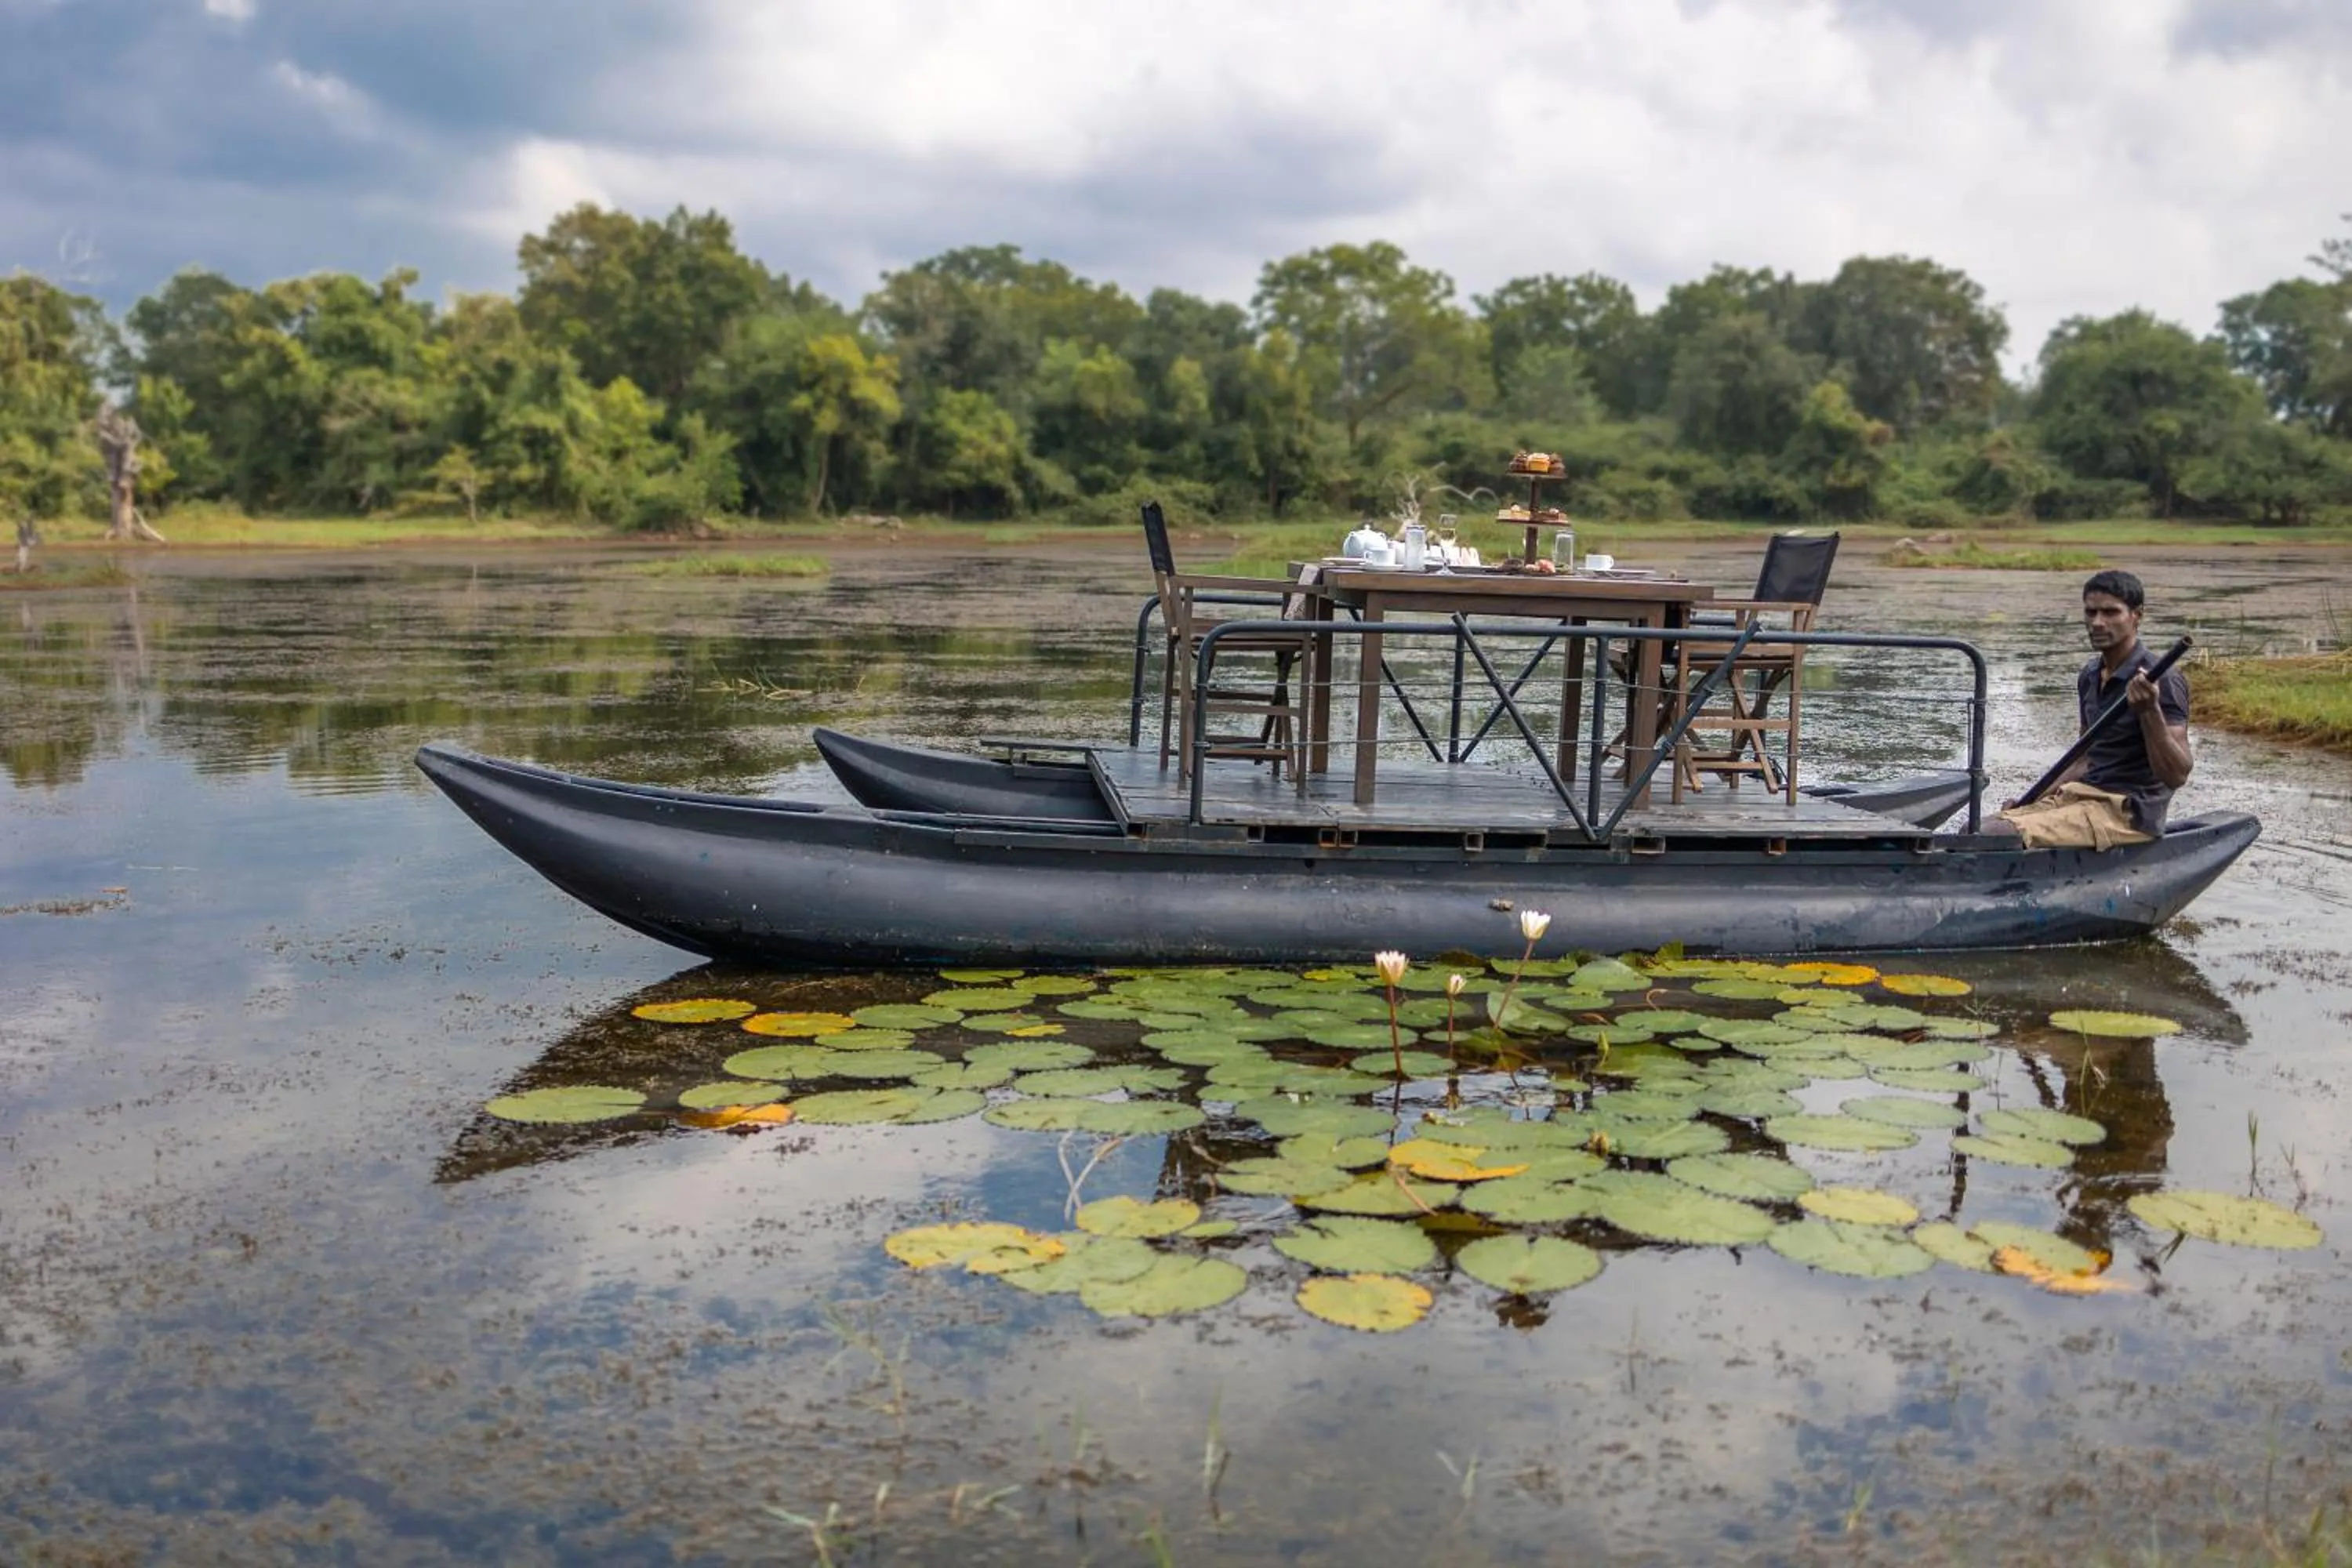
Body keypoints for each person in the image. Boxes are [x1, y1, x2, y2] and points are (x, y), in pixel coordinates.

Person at [1996, 569, 2191, 849]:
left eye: (2111, 613)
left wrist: (2150, 712)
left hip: (2127, 813)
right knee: (1977, 830)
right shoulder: (2090, 674)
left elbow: (2177, 775)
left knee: (1995, 835)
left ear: (2137, 615)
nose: (2098, 623)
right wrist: (2032, 802)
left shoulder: (2163, 679)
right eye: (2091, 613)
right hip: (2082, 796)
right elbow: (2082, 759)